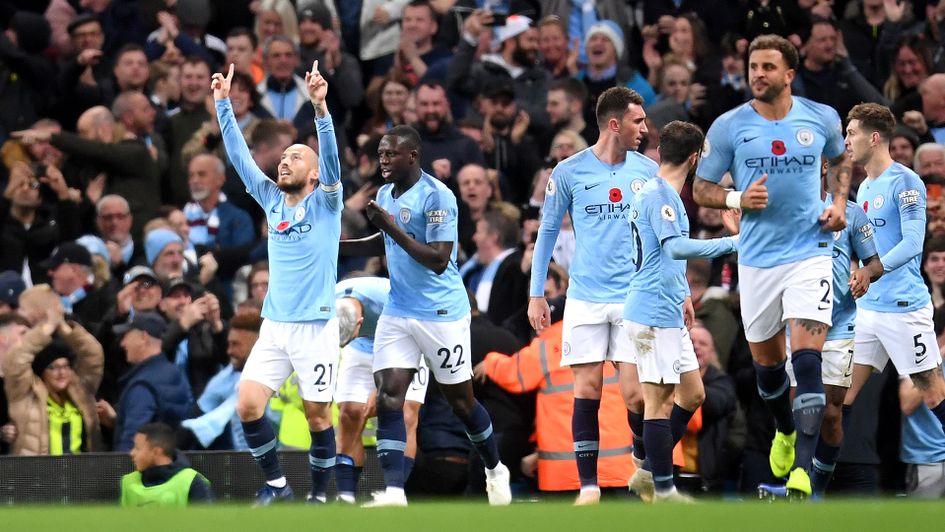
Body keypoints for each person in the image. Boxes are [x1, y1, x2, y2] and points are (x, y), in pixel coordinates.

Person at [693, 34, 850, 496]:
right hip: (758, 260)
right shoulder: (728, 126)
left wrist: (839, 201)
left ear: (789, 74)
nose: (757, 74)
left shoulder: (820, 117)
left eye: (766, 67)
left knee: (807, 361)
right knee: (769, 370)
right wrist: (737, 197)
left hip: (810, 253)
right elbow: (701, 188)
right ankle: (783, 428)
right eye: (752, 66)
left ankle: (801, 471)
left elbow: (841, 161)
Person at [339, 125, 512, 507]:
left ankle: (495, 468)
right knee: (388, 397)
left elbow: (437, 258)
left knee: (461, 403)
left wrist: (390, 228)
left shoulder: (438, 196)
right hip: (398, 308)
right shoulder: (385, 192)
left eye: (390, 154)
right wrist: (337, 248)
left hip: (441, 313)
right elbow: (383, 241)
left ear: (412, 156)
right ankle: (395, 492)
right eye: (380, 153)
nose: (382, 160)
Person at [213, 60, 342, 505]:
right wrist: (223, 106)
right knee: (247, 405)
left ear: (314, 173)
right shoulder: (271, 200)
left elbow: (330, 157)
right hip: (275, 326)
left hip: (316, 327)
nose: (285, 162)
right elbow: (240, 158)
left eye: (295, 158)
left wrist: (320, 108)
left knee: (317, 416)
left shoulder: (327, 203)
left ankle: (321, 498)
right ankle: (277, 486)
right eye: (284, 157)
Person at [527, 86, 657, 504]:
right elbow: (547, 230)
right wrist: (536, 294)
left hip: (633, 295)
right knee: (588, 390)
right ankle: (588, 486)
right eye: (638, 121)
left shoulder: (648, 171)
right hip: (585, 296)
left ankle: (642, 460)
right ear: (614, 124)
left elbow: (665, 234)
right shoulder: (569, 171)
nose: (645, 128)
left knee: (635, 393)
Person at [623, 121, 739, 503]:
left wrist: (683, 292)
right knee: (659, 402)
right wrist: (732, 242)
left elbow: (660, 255)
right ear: (694, 158)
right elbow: (674, 249)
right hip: (652, 310)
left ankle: (645, 469)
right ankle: (663, 487)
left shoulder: (659, 192)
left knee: (693, 394)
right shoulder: (662, 196)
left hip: (667, 303)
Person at [760, 172, 885, 500]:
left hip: (839, 323)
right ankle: (802, 484)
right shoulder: (781, 210)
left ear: (826, 166)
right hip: (797, 323)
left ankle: (815, 488)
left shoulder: (852, 213)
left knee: (830, 413)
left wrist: (863, 273)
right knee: (799, 406)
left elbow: (875, 263)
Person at [842, 102, 945, 472]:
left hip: (904, 308)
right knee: (842, 395)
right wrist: (857, 267)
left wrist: (873, 271)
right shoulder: (865, 186)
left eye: (851, 133)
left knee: (933, 394)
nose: (846, 140)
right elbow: (869, 242)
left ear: (874, 137)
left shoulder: (905, 181)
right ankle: (811, 490)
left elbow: (914, 242)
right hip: (869, 310)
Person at [333, 276, 428, 504]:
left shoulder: (386, 296)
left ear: (360, 322)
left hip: (408, 342)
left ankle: (395, 492)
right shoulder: (329, 299)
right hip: (360, 349)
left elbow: (418, 331)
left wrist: (385, 389)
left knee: (405, 413)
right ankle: (345, 496)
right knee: (350, 413)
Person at [2, 304, 104, 456]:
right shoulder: (27, 394)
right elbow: (17, 360)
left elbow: (93, 354)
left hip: (82, 475)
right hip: (38, 476)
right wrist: (47, 327)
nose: (61, 373)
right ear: (43, 372)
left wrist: (63, 326)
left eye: (66, 366)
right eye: (53, 367)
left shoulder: (81, 390)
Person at [105, 311, 192, 452]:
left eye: (127, 336)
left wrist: (118, 470)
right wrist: (117, 420)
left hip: (147, 471)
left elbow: (132, 444)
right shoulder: (174, 373)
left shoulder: (142, 386)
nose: (123, 343)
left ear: (144, 337)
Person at [121, 422, 213, 506]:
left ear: (156, 451)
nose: (131, 453)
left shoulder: (193, 482)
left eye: (137, 448)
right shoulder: (128, 482)